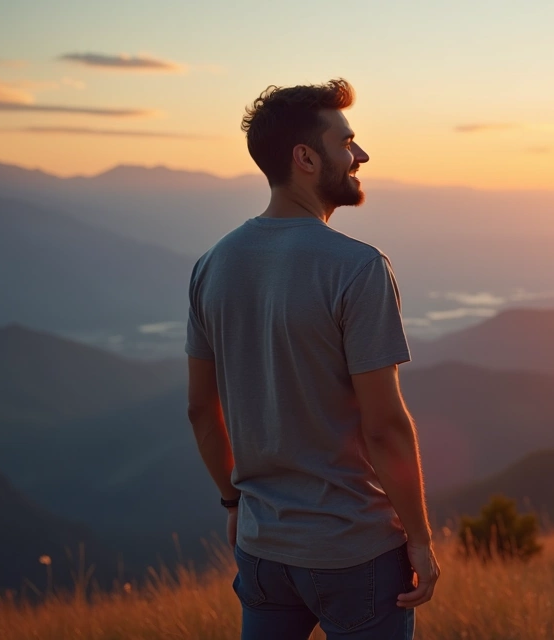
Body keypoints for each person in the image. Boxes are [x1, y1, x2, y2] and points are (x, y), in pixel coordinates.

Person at [185, 78, 438, 640]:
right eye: (346, 142)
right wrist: (419, 539)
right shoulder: (357, 267)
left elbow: (202, 411)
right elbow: (386, 426)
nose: (361, 155)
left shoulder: (212, 265)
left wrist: (233, 503)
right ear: (305, 158)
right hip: (356, 552)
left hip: (261, 550)